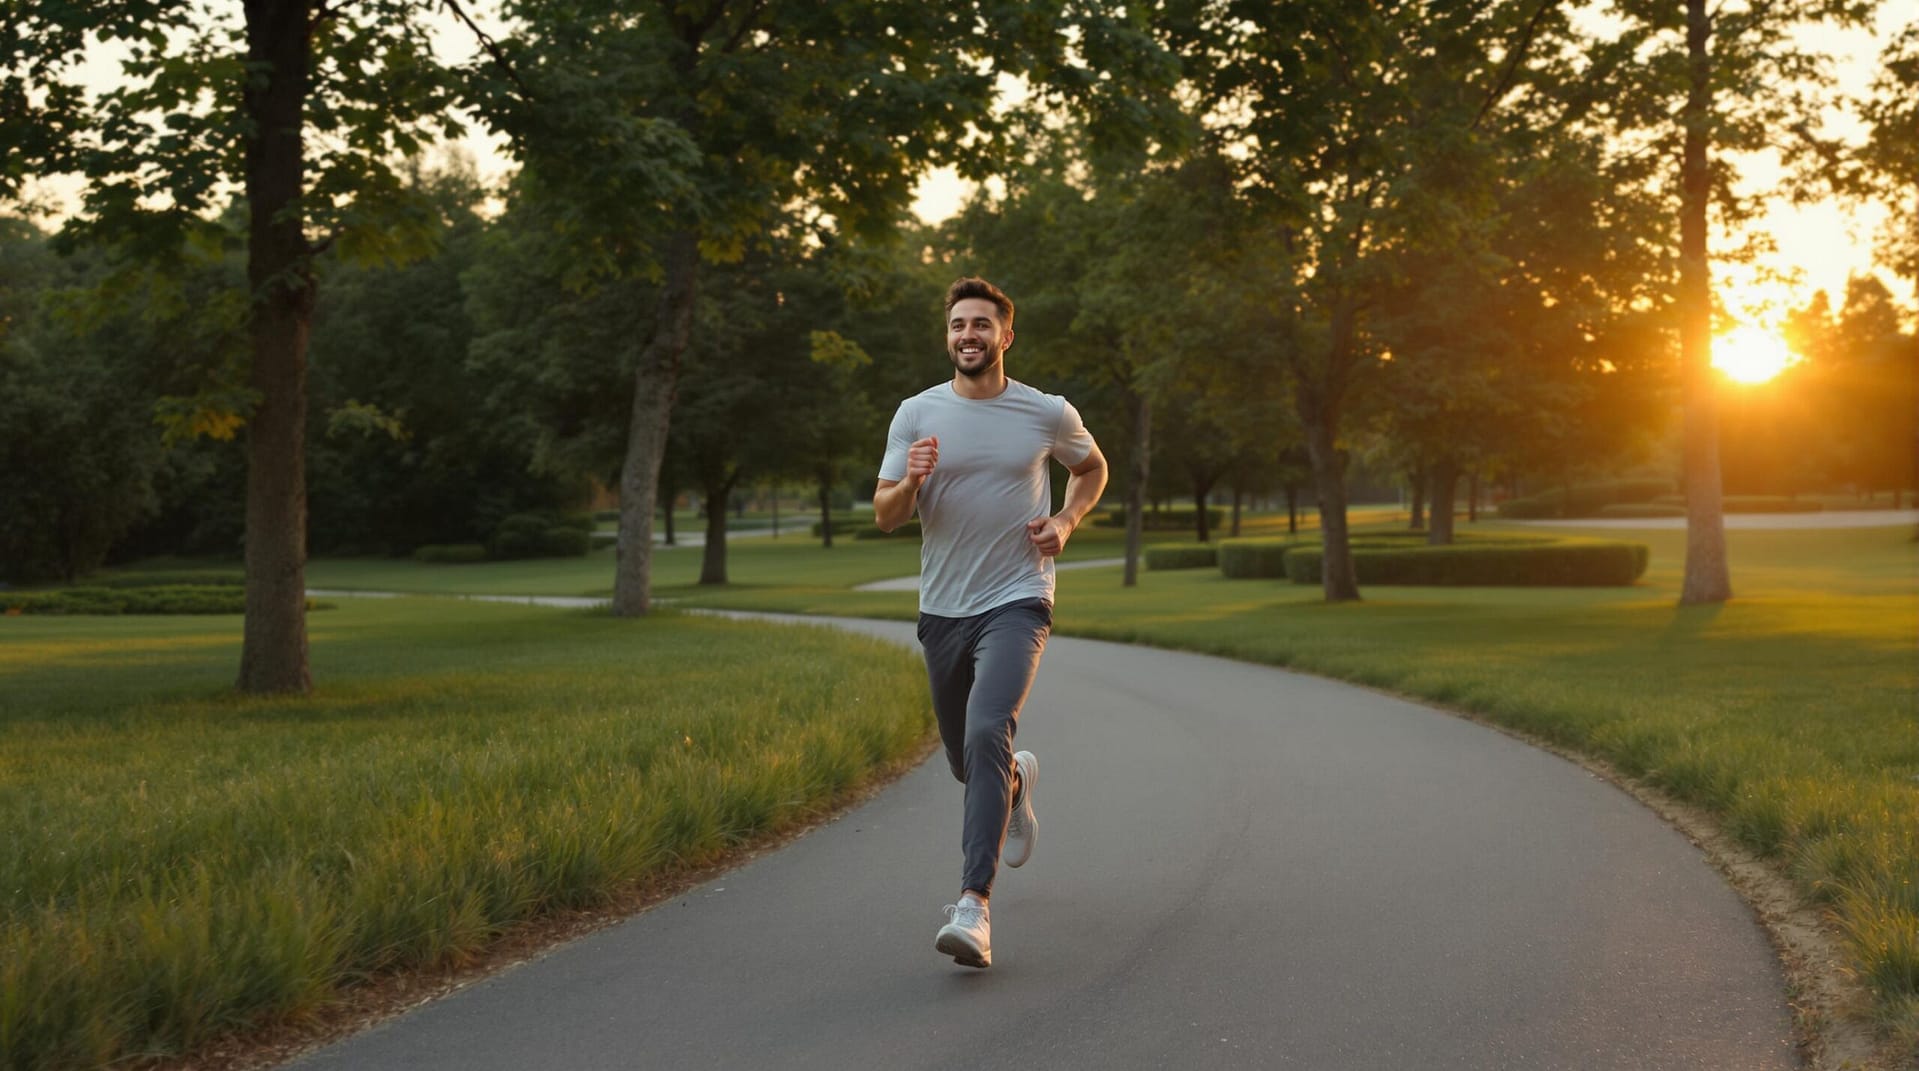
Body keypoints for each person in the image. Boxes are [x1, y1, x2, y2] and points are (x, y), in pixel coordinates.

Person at [873, 276, 1109, 969]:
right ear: (947, 336)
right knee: (966, 760)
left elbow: (1092, 468)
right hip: (943, 609)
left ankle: (972, 904)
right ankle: (1013, 784)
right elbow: (886, 515)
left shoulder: (1045, 411)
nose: (968, 335)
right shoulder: (916, 413)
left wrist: (1066, 519)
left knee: (985, 731)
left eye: (981, 324)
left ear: (1006, 335)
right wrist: (911, 480)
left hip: (1018, 598)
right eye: (958, 325)